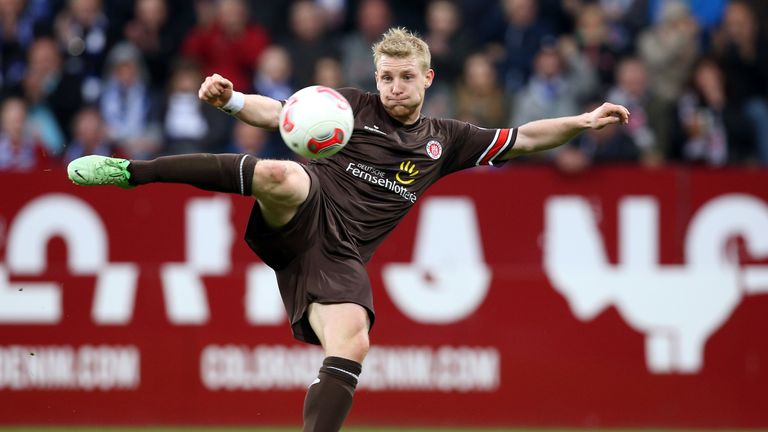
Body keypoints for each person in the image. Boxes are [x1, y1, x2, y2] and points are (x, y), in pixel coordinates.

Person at [66, 27, 629, 431]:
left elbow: (525, 138)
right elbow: (280, 113)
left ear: (428, 78)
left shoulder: (447, 139)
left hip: (340, 255)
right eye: (386, 77)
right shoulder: (349, 106)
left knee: (353, 341)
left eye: (406, 77)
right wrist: (233, 100)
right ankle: (131, 172)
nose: (395, 87)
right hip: (306, 212)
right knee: (284, 175)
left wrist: (581, 123)